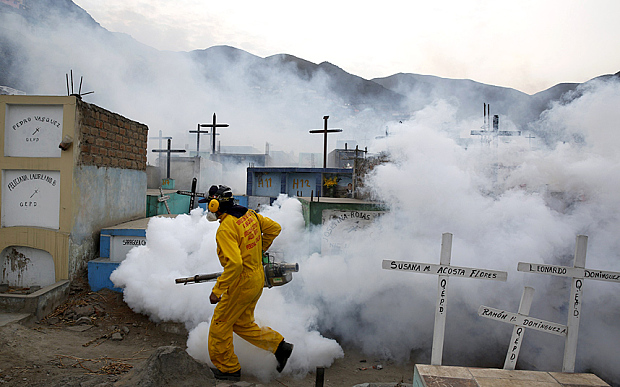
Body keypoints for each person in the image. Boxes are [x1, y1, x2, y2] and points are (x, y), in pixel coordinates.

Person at [199, 184, 294, 381]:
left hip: (241, 283)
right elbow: (274, 228)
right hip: (257, 277)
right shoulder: (249, 215)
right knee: (241, 323)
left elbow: (234, 264)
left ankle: (228, 369)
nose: (209, 208)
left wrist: (217, 290)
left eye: (209, 204)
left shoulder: (225, 228)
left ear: (215, 205)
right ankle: (279, 346)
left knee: (220, 324)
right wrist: (259, 251)